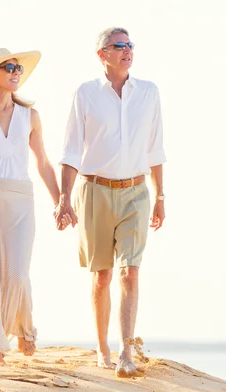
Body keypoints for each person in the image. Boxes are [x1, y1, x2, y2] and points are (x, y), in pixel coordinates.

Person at [54, 27, 166, 378]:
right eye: (119, 46)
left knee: (129, 272)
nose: (127, 50)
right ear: (102, 54)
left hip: (136, 192)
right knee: (102, 276)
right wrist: (63, 199)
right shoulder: (86, 93)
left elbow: (156, 149)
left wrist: (160, 195)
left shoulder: (148, 92)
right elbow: (71, 150)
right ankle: (103, 347)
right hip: (94, 191)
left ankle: (126, 353)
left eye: (130, 45)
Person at [0, 48, 70, 364]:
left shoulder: (30, 117)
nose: (16, 71)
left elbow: (43, 162)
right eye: (9, 67)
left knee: (17, 273)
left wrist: (61, 201)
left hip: (21, 200)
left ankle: (23, 327)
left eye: (18, 67)